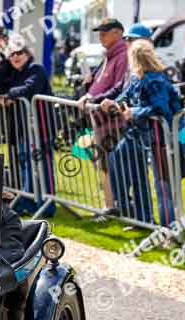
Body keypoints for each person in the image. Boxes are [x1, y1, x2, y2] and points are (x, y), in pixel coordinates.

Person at [101, 40, 185, 229]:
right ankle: (142, 219)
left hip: (163, 139)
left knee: (163, 184)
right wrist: (112, 102)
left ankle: (169, 228)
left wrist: (135, 112)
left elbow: (160, 108)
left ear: (135, 59)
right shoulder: (137, 78)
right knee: (123, 161)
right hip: (142, 136)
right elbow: (126, 95)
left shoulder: (156, 80)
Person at [0, 37, 56, 217]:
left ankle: (48, 205)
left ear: (27, 53)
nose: (15, 57)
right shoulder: (14, 73)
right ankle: (28, 201)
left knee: (42, 165)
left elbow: (29, 89)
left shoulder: (36, 69)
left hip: (40, 127)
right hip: (22, 128)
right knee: (25, 163)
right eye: (11, 54)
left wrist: (9, 95)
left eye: (19, 53)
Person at [76, 18, 129, 220]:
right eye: (100, 32)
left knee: (111, 165)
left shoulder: (122, 56)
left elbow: (118, 88)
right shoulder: (109, 56)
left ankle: (115, 206)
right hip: (101, 121)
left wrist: (94, 97)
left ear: (117, 33)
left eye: (105, 32)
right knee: (104, 164)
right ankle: (112, 205)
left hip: (114, 122)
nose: (101, 36)